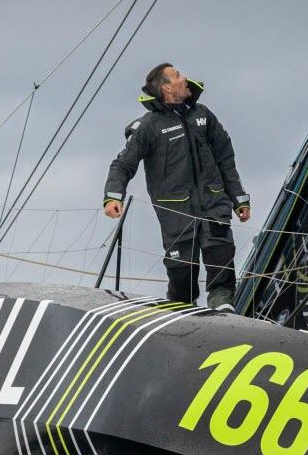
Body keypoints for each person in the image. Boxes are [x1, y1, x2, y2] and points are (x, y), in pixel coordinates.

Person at [103, 63, 251, 309]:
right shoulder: (149, 126)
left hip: (214, 205)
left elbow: (225, 158)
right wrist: (113, 197)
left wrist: (239, 199)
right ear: (167, 88)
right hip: (176, 214)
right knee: (182, 277)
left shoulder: (203, 115)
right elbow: (122, 164)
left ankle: (222, 306)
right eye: (178, 76)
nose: (185, 78)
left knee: (221, 257)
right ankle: (181, 310)